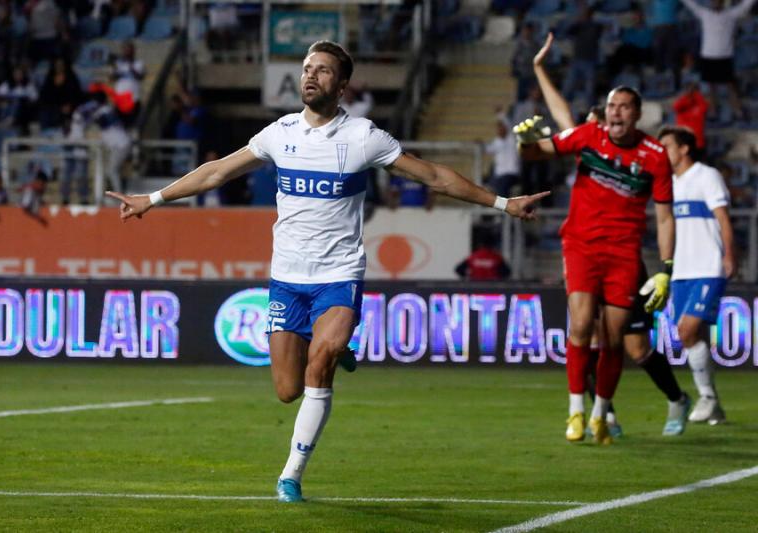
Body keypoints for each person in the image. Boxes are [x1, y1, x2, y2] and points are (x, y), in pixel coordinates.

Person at [105, 40, 549, 502]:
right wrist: (152, 199)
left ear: (341, 86)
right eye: (307, 68)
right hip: (287, 279)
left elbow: (432, 176)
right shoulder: (279, 133)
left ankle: (291, 474)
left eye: (322, 70)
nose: (311, 75)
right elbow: (217, 172)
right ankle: (332, 346)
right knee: (285, 390)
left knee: (323, 361)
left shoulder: (363, 137)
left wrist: (502, 202)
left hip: (339, 274)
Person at [533, 33, 691, 437]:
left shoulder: (648, 156)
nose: (611, 117)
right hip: (583, 245)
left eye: (622, 109)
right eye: (608, 110)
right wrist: (539, 70)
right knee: (583, 326)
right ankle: (592, 413)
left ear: (635, 114)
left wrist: (664, 268)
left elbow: (664, 216)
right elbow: (556, 123)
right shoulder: (586, 140)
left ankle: (670, 399)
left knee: (626, 343)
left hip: (625, 255)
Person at [656, 125, 736, 425]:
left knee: (686, 331)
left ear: (684, 148)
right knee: (694, 335)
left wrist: (730, 253)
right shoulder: (668, 184)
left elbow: (723, 219)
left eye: (667, 146)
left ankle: (707, 397)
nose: (663, 152)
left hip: (708, 265)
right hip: (682, 269)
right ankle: (714, 405)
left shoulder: (706, 176)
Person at [679, 0, 758, 121]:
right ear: (711, 3)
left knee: (731, 86)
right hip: (708, 56)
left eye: (718, 1)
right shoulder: (705, 14)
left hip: (725, 57)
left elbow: (746, 5)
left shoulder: (731, 14)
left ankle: (738, 111)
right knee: (711, 87)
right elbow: (691, 4)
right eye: (714, 1)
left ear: (722, 3)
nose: (716, 3)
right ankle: (713, 111)